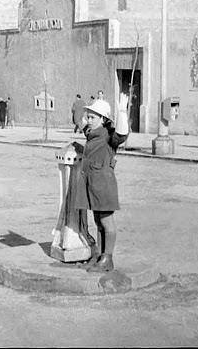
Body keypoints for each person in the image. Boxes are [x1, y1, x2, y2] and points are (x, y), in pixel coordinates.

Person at [70, 94, 129, 273]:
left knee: (106, 221)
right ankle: (99, 256)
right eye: (88, 117)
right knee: (97, 220)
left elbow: (121, 134)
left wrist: (122, 112)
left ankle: (107, 259)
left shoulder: (108, 135)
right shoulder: (92, 133)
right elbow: (84, 130)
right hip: (93, 186)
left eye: (92, 117)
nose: (89, 120)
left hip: (104, 186)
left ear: (103, 119)